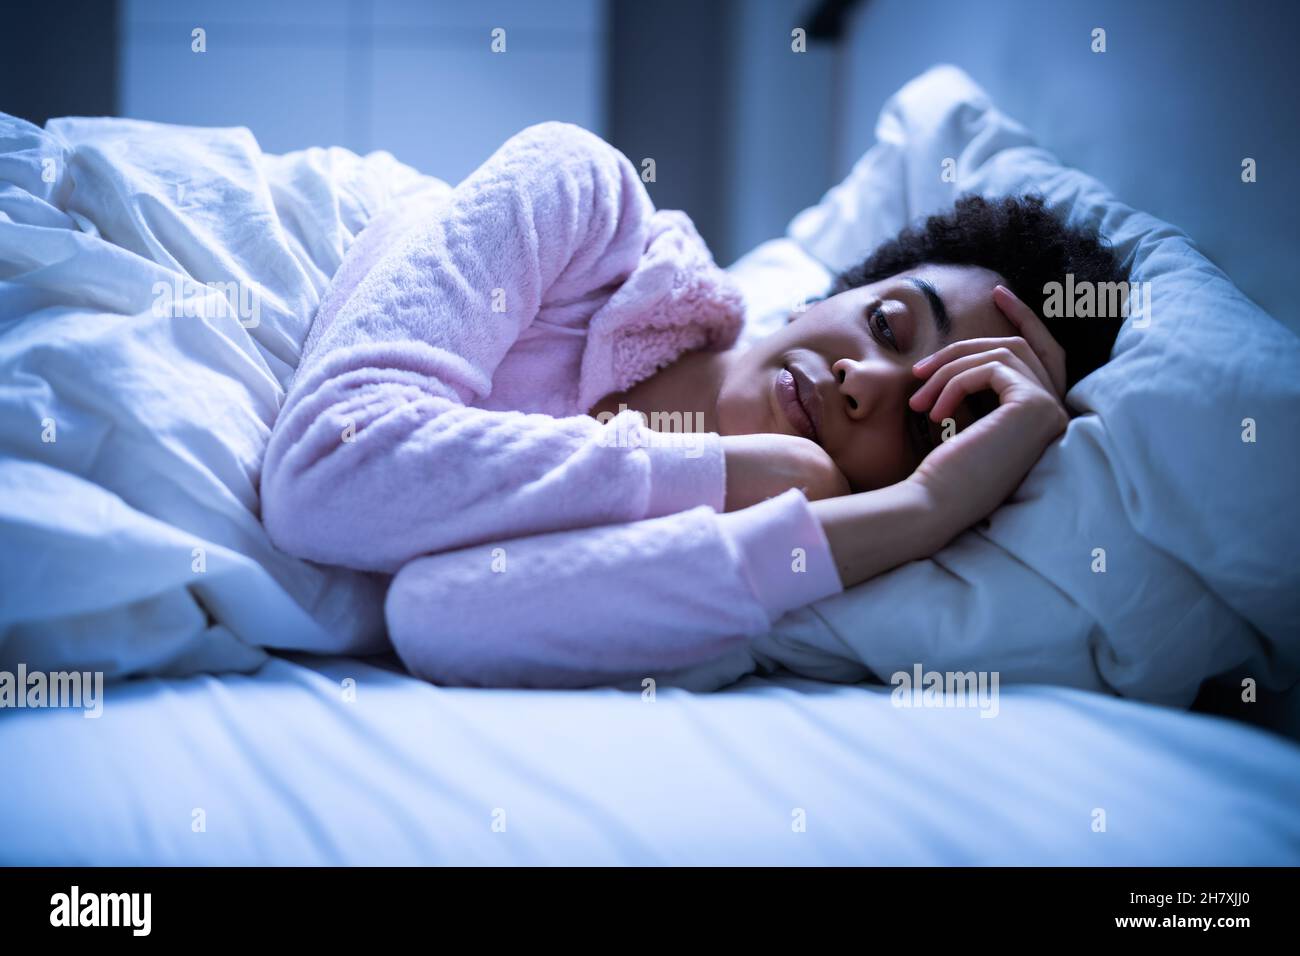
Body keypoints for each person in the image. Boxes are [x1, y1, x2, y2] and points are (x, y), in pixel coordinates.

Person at [259, 122, 1126, 688]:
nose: (866, 381)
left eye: (924, 419)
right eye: (889, 326)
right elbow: (326, 475)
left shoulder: (737, 557)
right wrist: (736, 467)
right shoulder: (584, 203)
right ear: (823, 296)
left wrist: (924, 508)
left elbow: (439, 615)